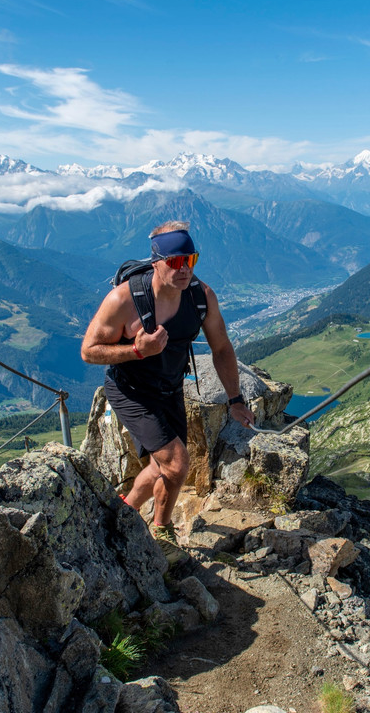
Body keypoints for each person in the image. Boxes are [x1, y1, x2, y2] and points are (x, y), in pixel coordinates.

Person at [81, 220, 254, 563]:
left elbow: (221, 348)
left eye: (191, 260)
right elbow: (89, 351)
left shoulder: (201, 297)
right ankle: (159, 530)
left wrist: (235, 400)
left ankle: (127, 512)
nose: (184, 269)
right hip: (131, 391)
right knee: (177, 463)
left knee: (163, 467)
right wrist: (136, 350)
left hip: (170, 388)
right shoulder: (124, 299)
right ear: (156, 262)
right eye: (175, 262)